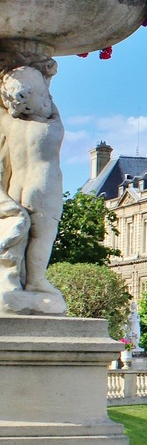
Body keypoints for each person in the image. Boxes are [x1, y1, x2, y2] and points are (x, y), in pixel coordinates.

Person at [0, 61, 67, 315]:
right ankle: (36, 280)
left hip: (17, 186)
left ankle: (12, 280)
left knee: (19, 236)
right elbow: (46, 99)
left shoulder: (9, 123)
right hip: (44, 186)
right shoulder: (52, 124)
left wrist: (9, 85)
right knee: (42, 236)